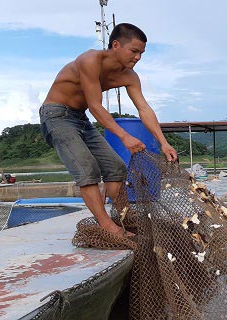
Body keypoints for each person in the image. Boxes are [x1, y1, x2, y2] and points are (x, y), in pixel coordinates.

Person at [39, 23, 177, 237]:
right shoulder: (90, 60)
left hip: (80, 117)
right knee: (88, 169)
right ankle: (107, 227)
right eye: (134, 51)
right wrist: (124, 137)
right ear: (116, 45)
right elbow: (95, 106)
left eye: (141, 53)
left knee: (116, 167)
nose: (138, 57)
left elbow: (144, 108)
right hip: (57, 115)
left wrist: (163, 142)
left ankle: (123, 217)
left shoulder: (130, 76)